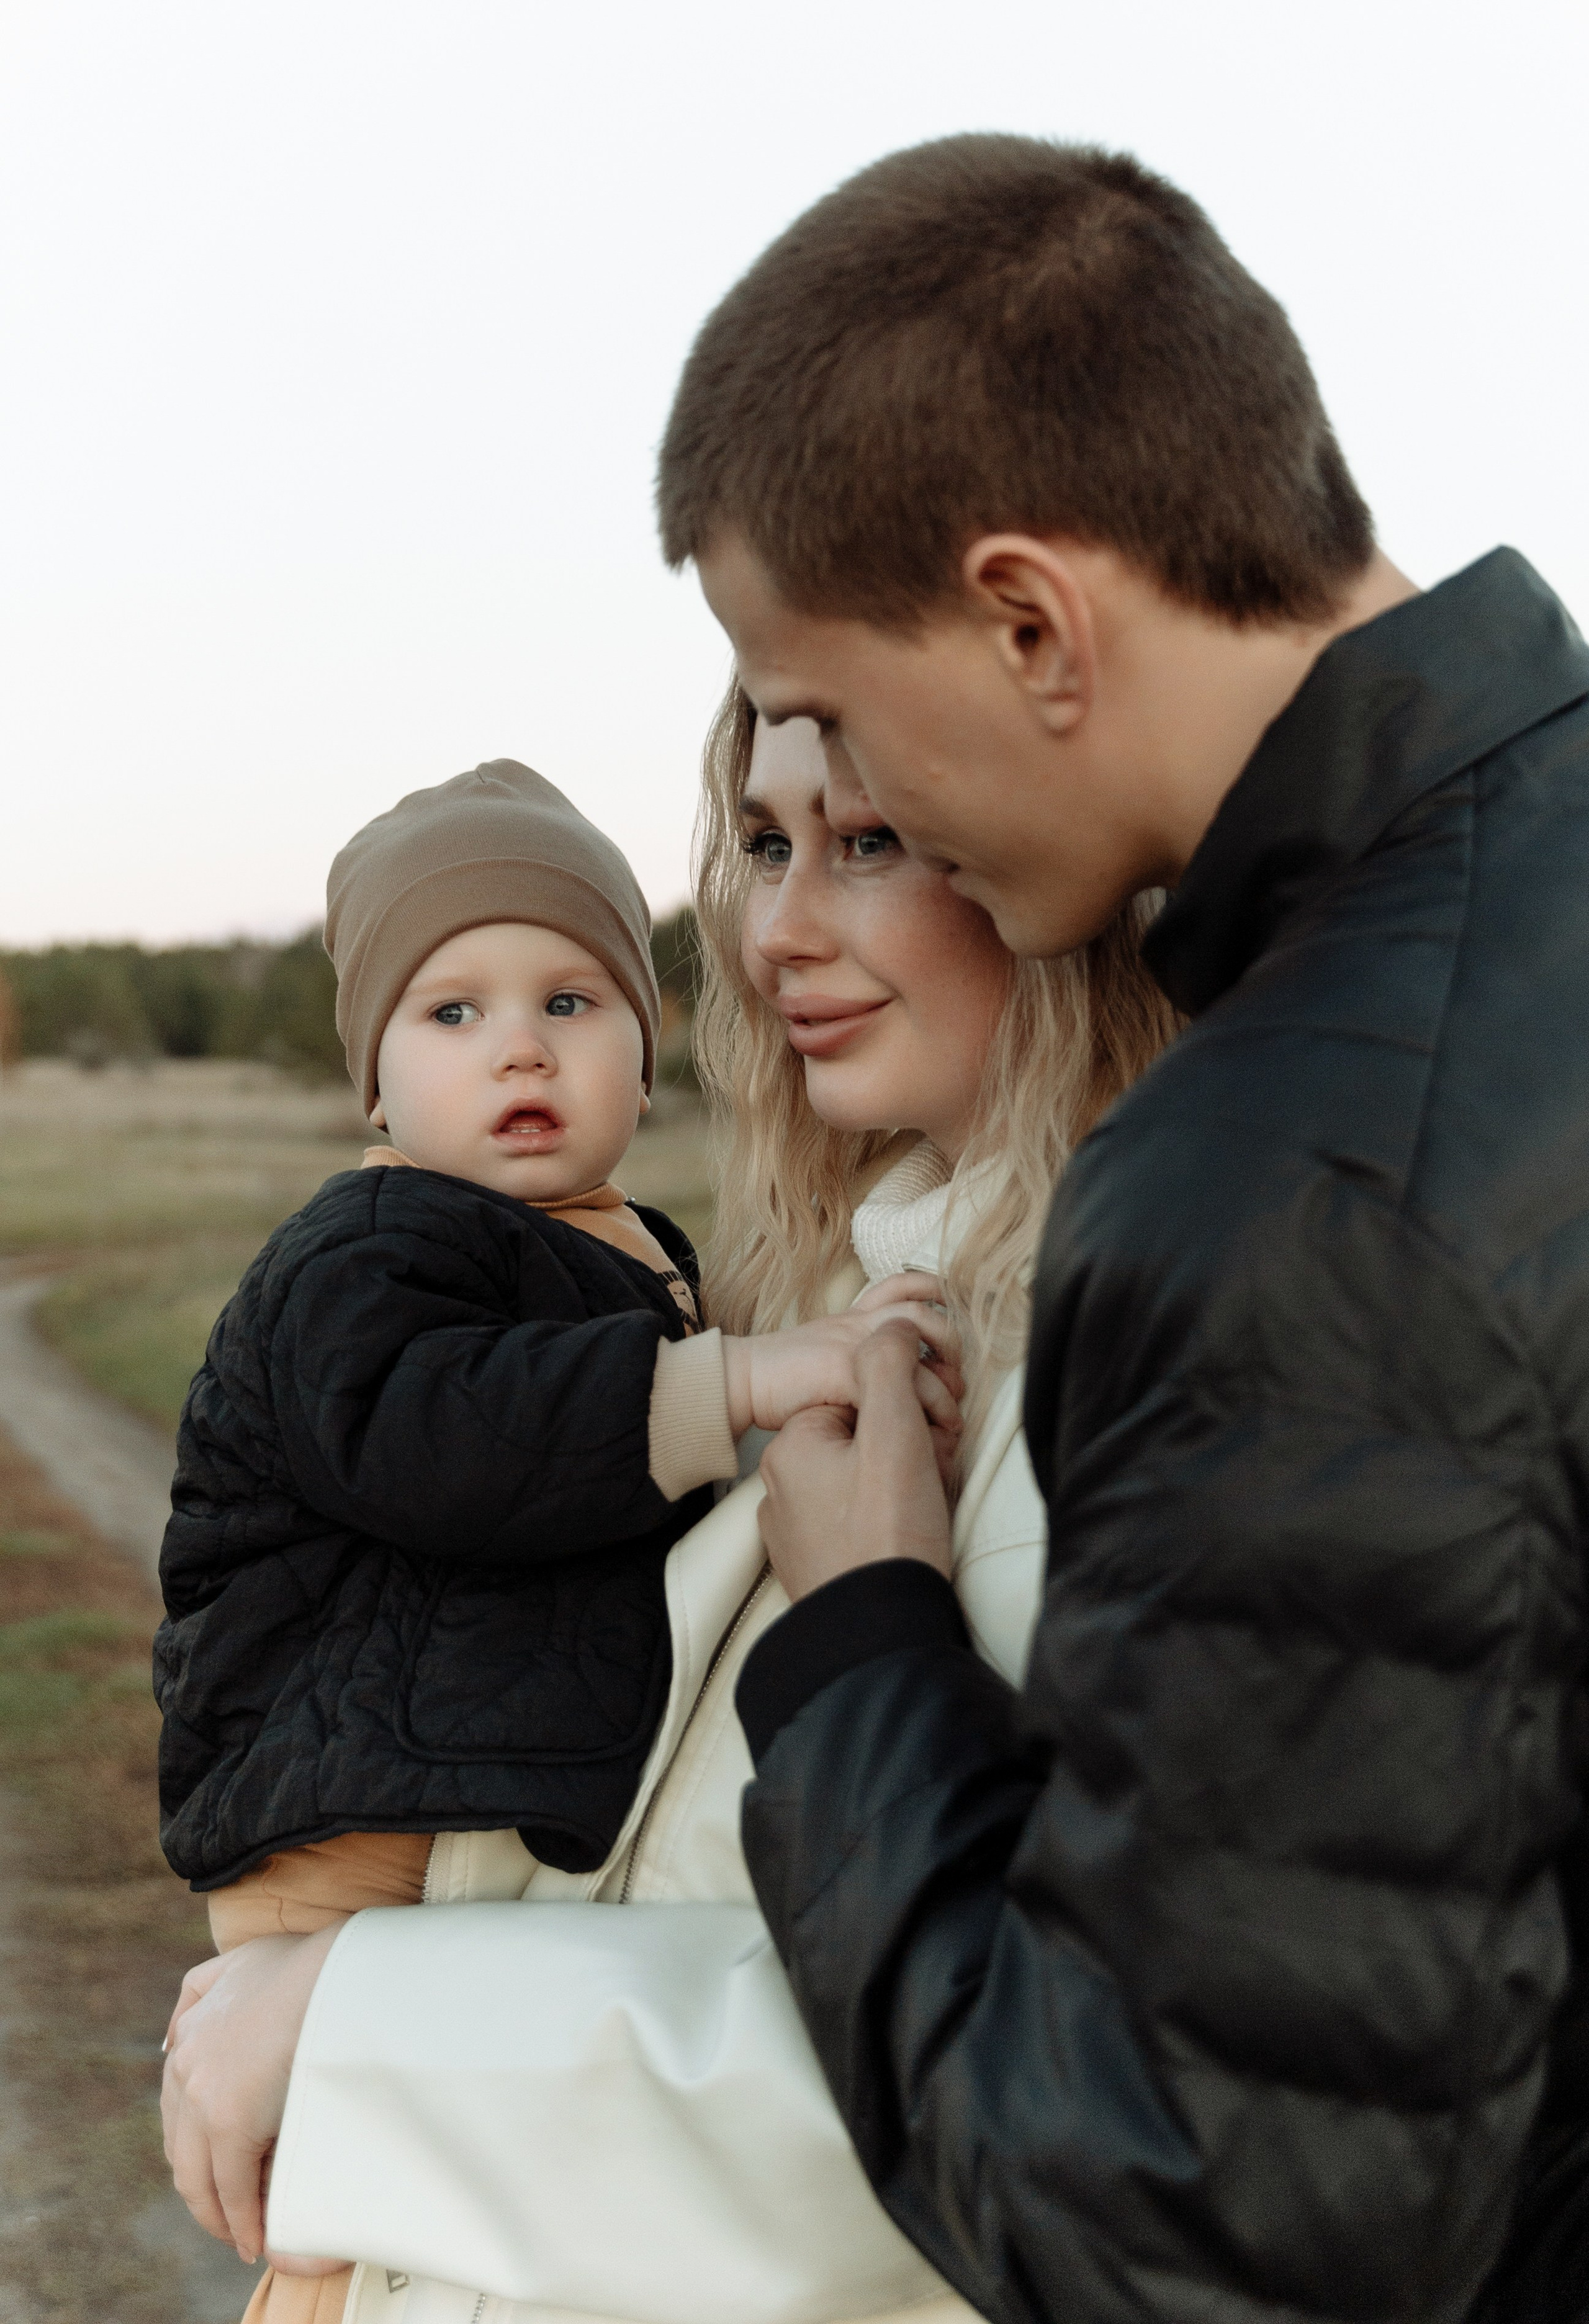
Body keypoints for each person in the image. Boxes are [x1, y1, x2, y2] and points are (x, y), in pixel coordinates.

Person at [162, 133, 1589, 2320]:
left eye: (861, 779)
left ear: (1030, 621)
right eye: (759, 828)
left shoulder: (1260, 1210)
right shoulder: (836, 1287)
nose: (796, 908)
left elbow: (1137, 2146)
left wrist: (373, 2040)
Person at [155, 755, 957, 2324]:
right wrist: (736, 1380)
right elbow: (443, 1433)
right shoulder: (368, 1250)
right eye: (450, 1012)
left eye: (571, 1003)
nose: (517, 1044)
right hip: (340, 1799)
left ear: (642, 1059)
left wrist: (814, 1352)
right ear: (373, 1085)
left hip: (443, 1780)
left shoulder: (624, 1248)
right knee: (344, 2150)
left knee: (393, 2143)